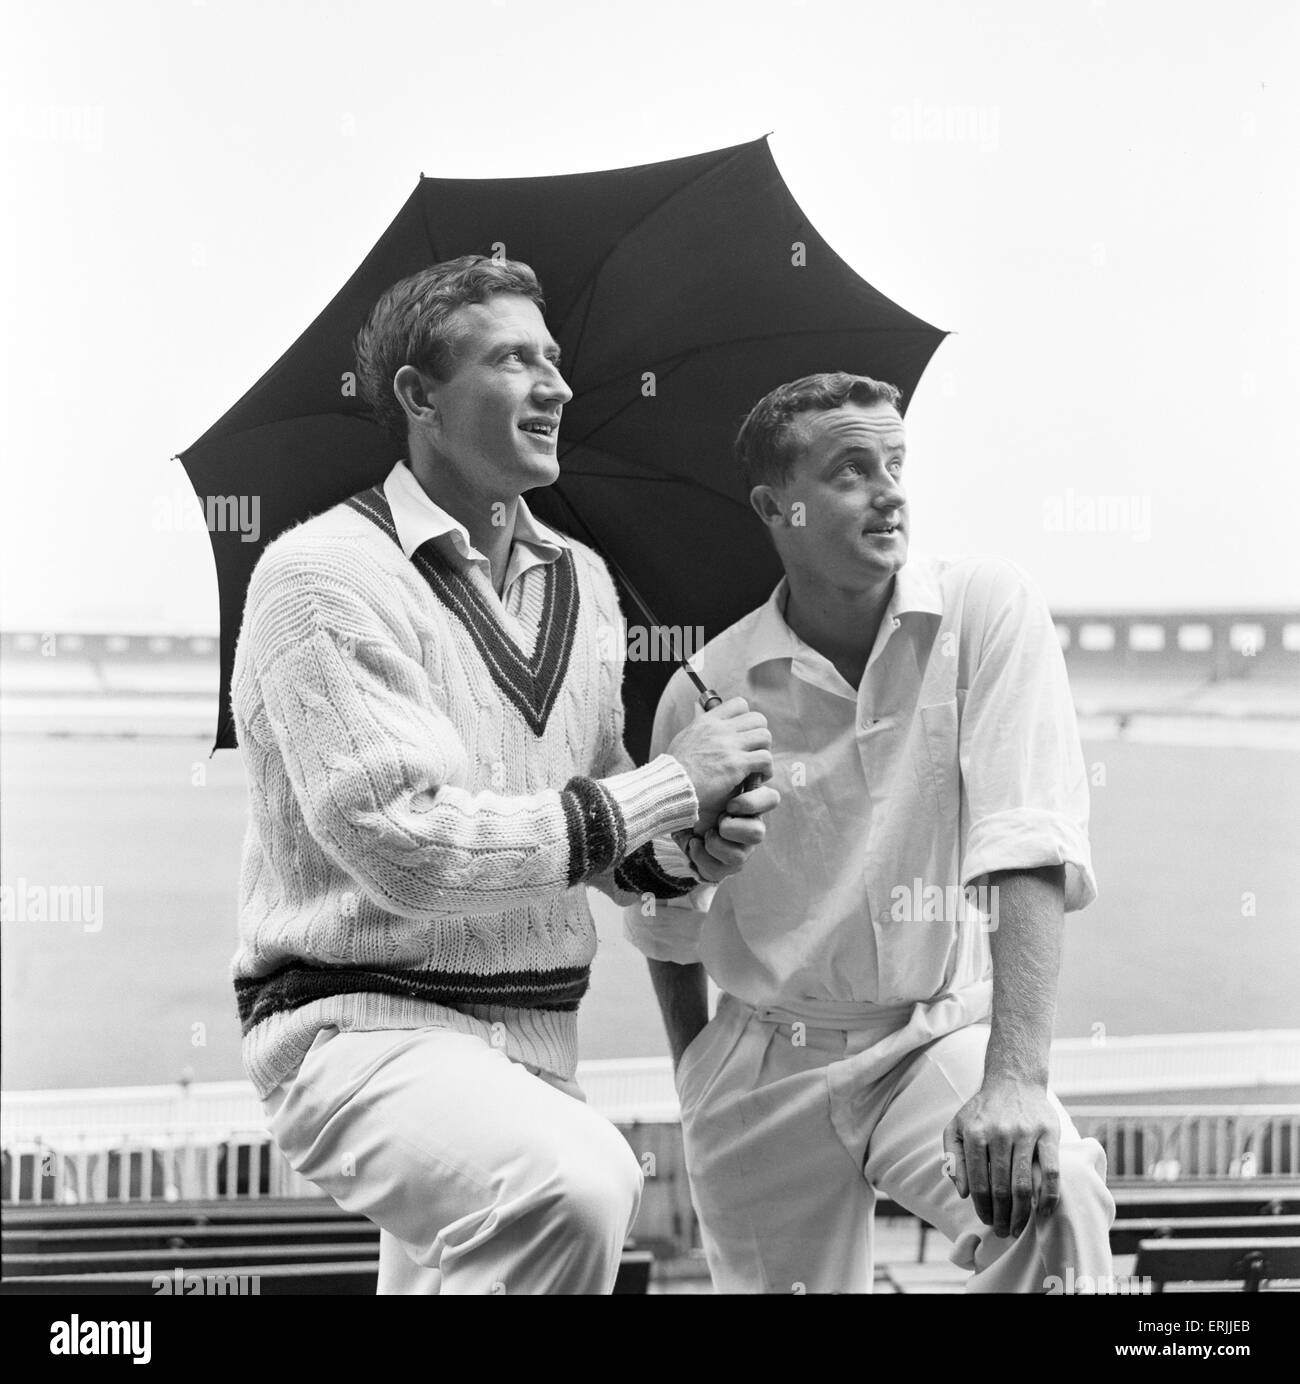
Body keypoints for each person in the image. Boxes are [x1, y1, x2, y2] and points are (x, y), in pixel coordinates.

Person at [229, 254, 777, 1294]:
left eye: (554, 359)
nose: (555, 384)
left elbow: (602, 811)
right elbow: (411, 850)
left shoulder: (584, 580)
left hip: (530, 1044)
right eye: (512, 358)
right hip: (354, 1027)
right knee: (572, 1183)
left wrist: (685, 841)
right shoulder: (320, 575)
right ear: (418, 396)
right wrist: (668, 783)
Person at [626, 372, 1116, 1293]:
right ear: (778, 508)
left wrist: (1015, 1077)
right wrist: (697, 1070)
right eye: (853, 470)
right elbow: (668, 911)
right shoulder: (704, 689)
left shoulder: (984, 611)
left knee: (1057, 1197)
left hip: (934, 1037)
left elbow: (1026, 837)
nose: (889, 489)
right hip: (764, 1064)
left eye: (895, 462)